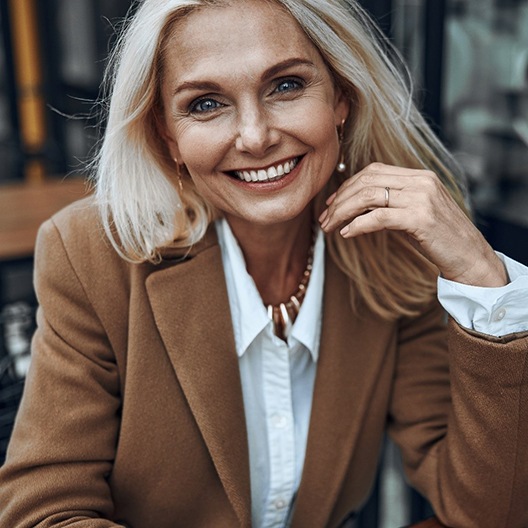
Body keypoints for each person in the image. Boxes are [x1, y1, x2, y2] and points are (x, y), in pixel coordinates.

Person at [1, 0, 527, 526]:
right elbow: (44, 513)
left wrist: (485, 283)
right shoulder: (92, 253)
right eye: (206, 104)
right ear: (168, 134)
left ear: (341, 97)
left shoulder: (387, 249)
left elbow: (488, 509)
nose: (255, 137)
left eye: (286, 86)